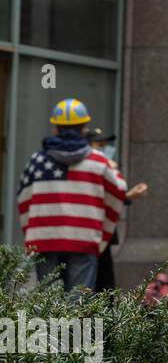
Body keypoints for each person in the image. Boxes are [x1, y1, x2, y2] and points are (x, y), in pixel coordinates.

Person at [18, 98, 127, 299]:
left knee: (47, 303)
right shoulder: (99, 161)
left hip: (45, 240)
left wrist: (32, 236)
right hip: (83, 240)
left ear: (55, 128)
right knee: (77, 303)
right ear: (84, 128)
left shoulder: (37, 161)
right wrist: (101, 237)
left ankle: (50, 332)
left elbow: (23, 200)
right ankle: (74, 332)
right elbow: (119, 192)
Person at [87, 127, 148, 294]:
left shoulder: (100, 165)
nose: (105, 149)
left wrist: (128, 195)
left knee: (105, 281)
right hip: (91, 232)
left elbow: (108, 195)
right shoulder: (93, 165)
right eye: (100, 144)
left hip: (101, 231)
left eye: (105, 145)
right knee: (97, 283)